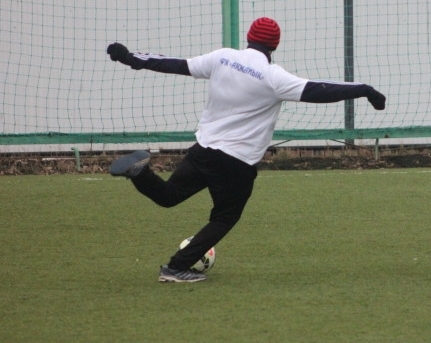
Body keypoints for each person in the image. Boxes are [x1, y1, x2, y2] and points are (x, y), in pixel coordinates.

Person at [106, 17, 386, 283]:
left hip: (204, 149)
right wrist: (363, 89)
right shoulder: (272, 76)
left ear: (249, 37)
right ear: (275, 45)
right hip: (236, 162)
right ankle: (177, 267)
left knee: (168, 196)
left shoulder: (222, 58)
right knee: (225, 217)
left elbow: (175, 64)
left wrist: (131, 58)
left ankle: (140, 173)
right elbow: (319, 89)